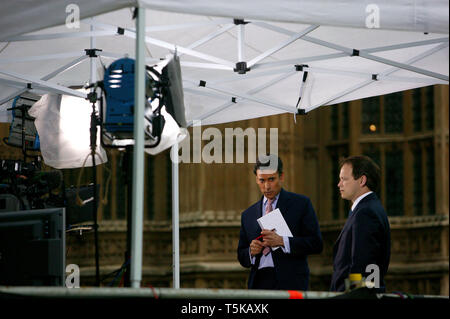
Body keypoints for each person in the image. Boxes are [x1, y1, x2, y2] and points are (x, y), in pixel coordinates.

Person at [237, 154, 323, 290]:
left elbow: (316, 244)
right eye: (262, 180)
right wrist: (251, 252)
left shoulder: (301, 204)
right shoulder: (248, 215)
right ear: (256, 180)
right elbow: (241, 255)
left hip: (291, 282)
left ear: (281, 177)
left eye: (271, 179)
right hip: (258, 283)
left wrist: (282, 241)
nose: (266, 186)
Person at [330, 155, 391, 292]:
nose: (339, 184)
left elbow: (364, 265)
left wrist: (356, 296)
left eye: (344, 179)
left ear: (362, 180)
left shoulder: (366, 213)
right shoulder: (367, 209)